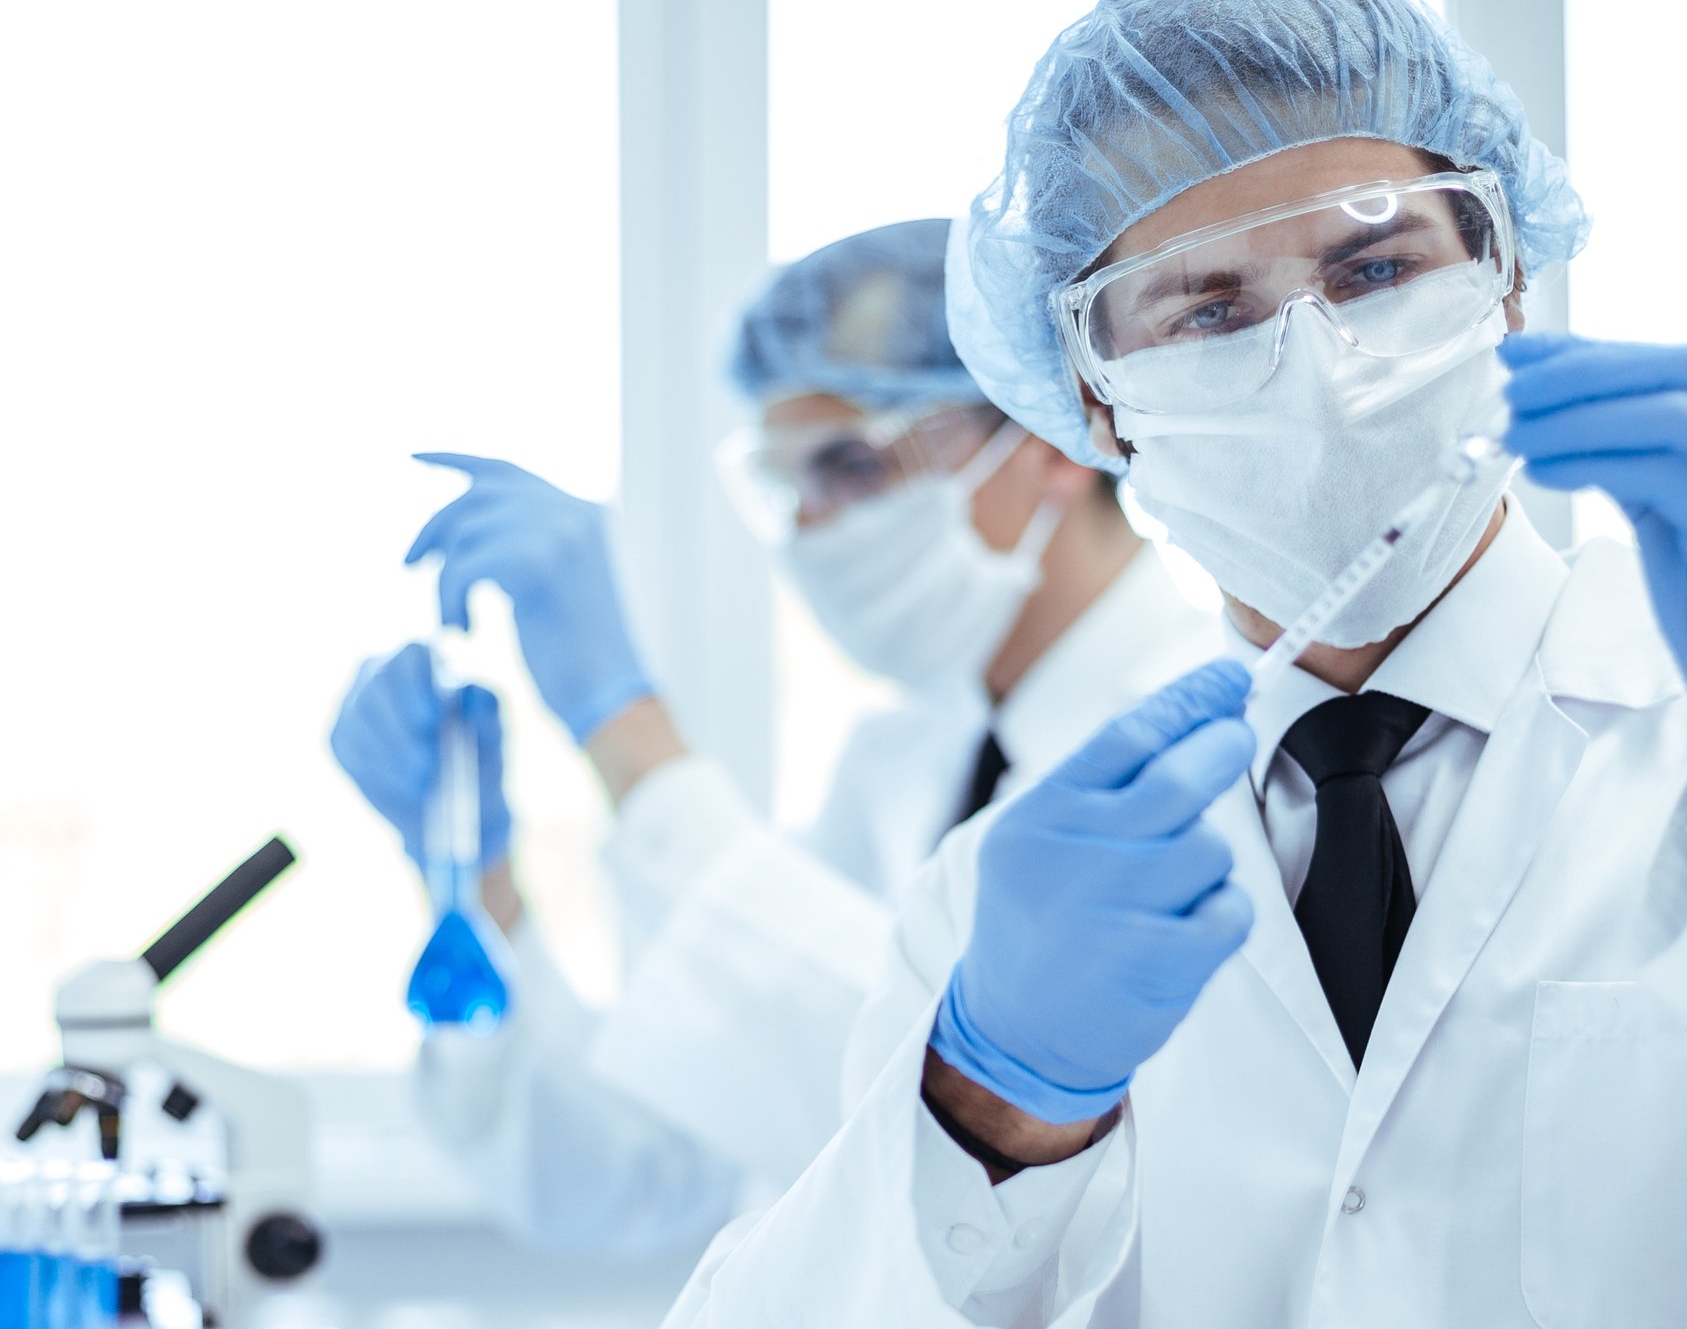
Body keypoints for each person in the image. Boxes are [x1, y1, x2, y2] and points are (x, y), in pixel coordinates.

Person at [660, 0, 1687, 1326]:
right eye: (1206, 308)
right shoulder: (1010, 906)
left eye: (1372, 269)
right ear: (1089, 403)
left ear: (1507, 277)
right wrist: (987, 1110)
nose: (1312, 355)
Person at [326, 219, 1221, 1252]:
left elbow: (955, 1114)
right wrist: (476, 887)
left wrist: (629, 734)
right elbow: (656, 1171)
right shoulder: (902, 760)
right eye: (787, 483)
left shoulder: (1210, 751)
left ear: (1048, 435)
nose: (810, 526)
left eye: (850, 463)